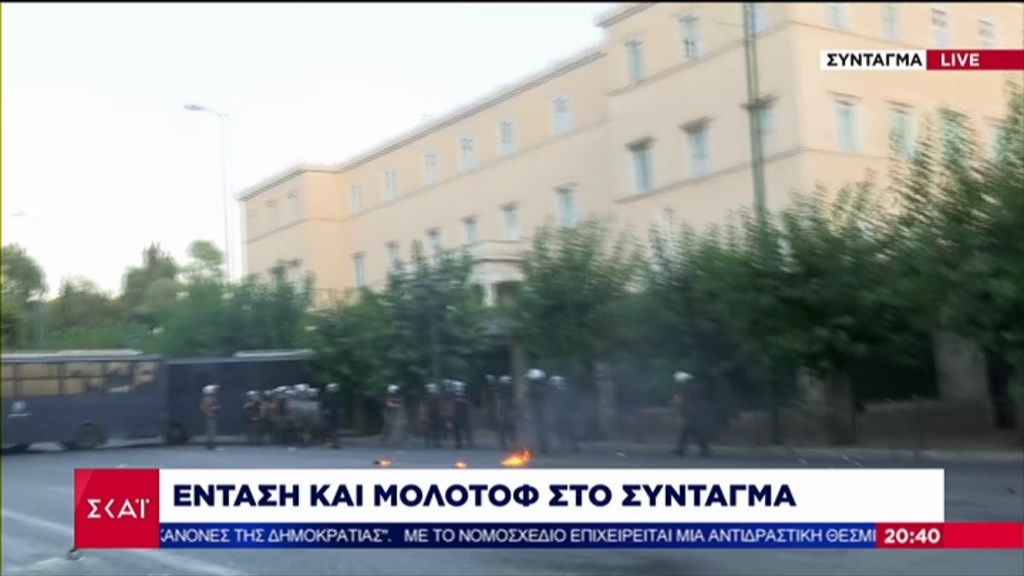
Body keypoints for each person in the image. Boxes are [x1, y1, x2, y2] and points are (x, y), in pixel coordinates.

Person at [672, 371, 711, 457]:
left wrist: (679, 408)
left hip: (691, 412)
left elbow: (680, 399)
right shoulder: (697, 386)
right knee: (693, 432)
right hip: (699, 412)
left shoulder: (686, 387)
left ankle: (681, 450)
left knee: (688, 431)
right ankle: (704, 448)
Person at [549, 376, 580, 453]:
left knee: (567, 431)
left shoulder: (560, 392)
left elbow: (569, 402)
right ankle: (569, 446)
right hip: (561, 414)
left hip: (564, 414)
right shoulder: (556, 392)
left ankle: (572, 446)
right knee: (563, 431)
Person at [525, 368, 549, 454]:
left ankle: (542, 447)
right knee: (541, 430)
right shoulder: (543, 387)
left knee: (539, 430)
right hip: (541, 412)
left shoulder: (534, 388)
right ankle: (542, 447)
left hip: (538, 412)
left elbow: (529, 397)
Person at [494, 375, 518, 450]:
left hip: (507, 411)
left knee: (508, 427)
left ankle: (509, 443)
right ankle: (506, 444)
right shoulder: (504, 393)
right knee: (506, 427)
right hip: (505, 411)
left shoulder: (508, 393)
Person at [451, 380, 474, 449]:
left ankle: (467, 442)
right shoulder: (455, 396)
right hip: (459, 415)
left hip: (462, 415)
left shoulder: (463, 396)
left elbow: (468, 405)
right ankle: (461, 443)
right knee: (459, 429)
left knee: (465, 429)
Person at [422, 382, 444, 448]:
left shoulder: (430, 397)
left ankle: (431, 442)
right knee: (432, 428)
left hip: (434, 414)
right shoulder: (430, 397)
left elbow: (439, 405)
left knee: (432, 428)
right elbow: (426, 406)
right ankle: (433, 442)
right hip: (432, 413)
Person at [322, 382, 344, 449]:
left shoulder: (338, 398)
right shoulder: (326, 397)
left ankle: (333, 443)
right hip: (328, 416)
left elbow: (340, 407)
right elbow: (323, 407)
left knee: (334, 430)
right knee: (329, 429)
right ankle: (329, 442)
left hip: (335, 415)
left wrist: (340, 414)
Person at [200, 384, 220, 450]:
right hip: (210, 416)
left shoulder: (210, 398)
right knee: (211, 430)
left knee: (212, 430)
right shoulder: (207, 399)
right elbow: (205, 408)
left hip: (212, 416)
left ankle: (210, 443)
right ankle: (210, 444)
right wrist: (213, 410)